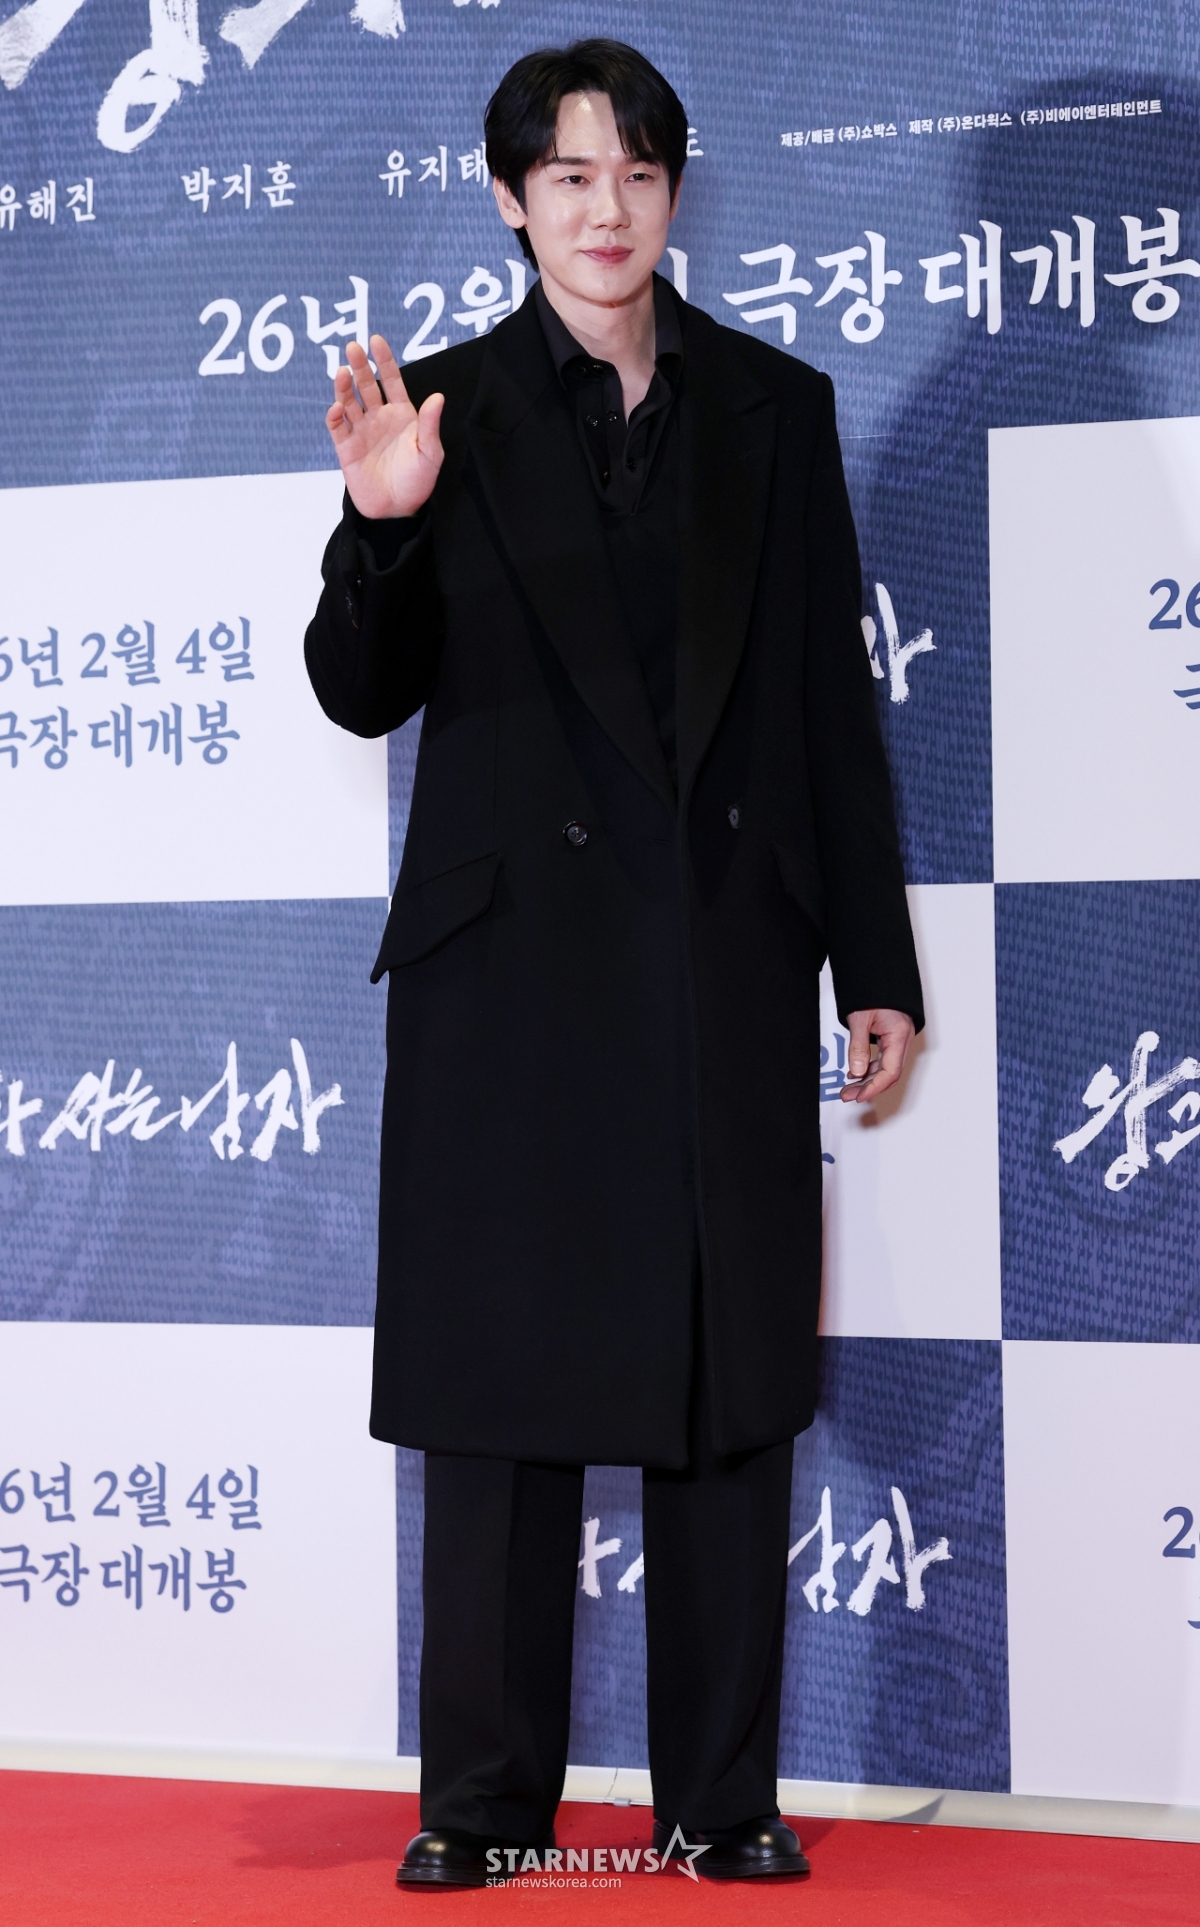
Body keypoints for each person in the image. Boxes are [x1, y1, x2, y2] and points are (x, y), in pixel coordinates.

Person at [305, 37, 922, 1890]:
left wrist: (873, 962)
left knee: (721, 1376)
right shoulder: (441, 411)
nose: (606, 208)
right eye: (569, 176)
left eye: (637, 174)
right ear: (511, 200)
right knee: (502, 1388)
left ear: (674, 191)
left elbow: (824, 711)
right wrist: (379, 528)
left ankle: (721, 1801)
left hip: (720, 954)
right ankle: (481, 1805)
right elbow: (359, 694)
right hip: (512, 979)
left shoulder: (774, 408)